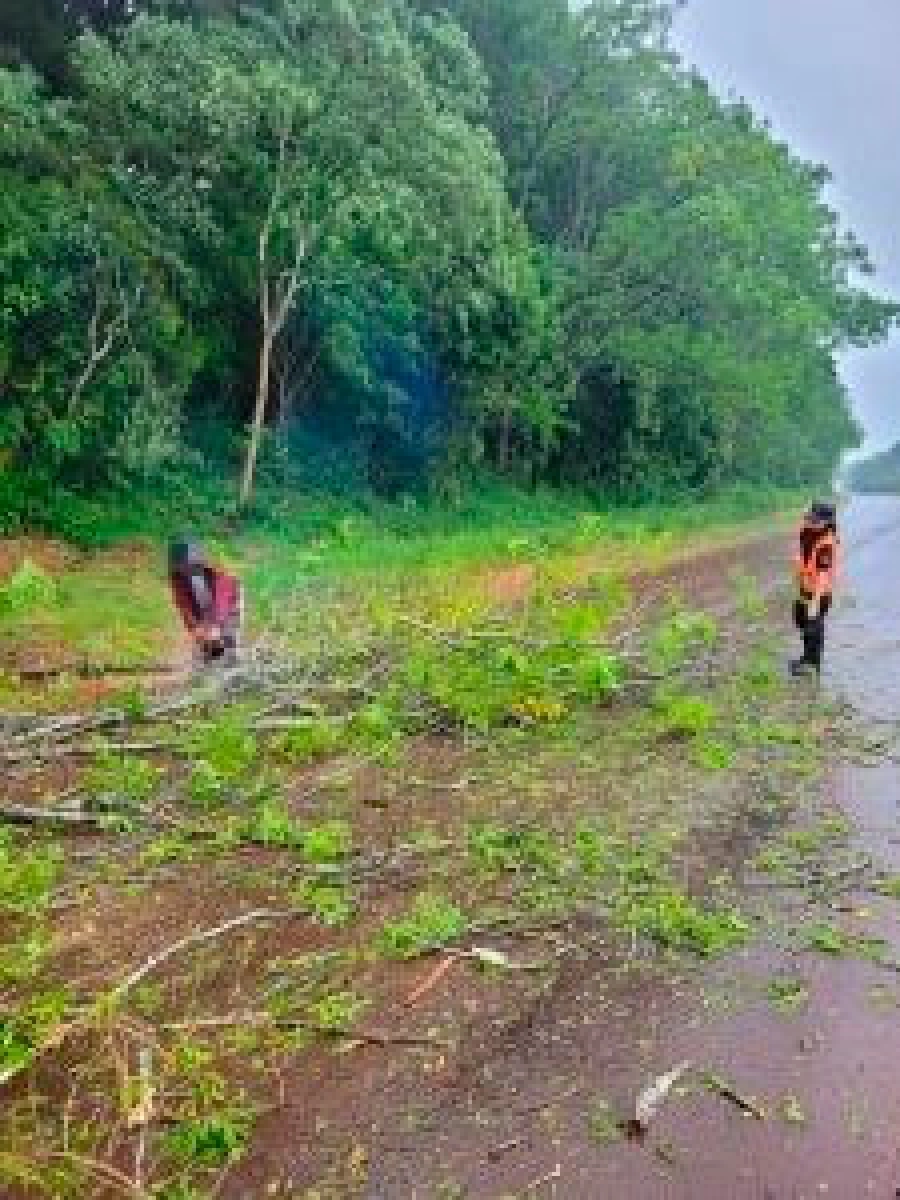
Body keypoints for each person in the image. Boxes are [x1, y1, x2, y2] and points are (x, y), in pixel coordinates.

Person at [168, 539, 243, 668]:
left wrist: (215, 625)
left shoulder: (219, 576)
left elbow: (222, 604)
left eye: (188, 566)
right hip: (201, 605)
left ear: (199, 563)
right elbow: (184, 606)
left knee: (227, 635)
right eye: (181, 567)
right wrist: (195, 628)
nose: (185, 571)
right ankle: (206, 663)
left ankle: (232, 664)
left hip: (229, 603)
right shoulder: (178, 580)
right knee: (204, 640)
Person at [791, 503, 838, 677]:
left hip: (820, 593)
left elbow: (823, 576)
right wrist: (808, 509)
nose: (811, 521)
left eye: (816, 519)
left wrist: (815, 603)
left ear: (827, 522)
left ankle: (813, 665)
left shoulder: (827, 543)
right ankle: (806, 657)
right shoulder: (807, 529)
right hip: (805, 588)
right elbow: (803, 517)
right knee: (800, 620)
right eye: (811, 517)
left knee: (814, 627)